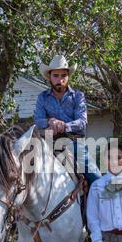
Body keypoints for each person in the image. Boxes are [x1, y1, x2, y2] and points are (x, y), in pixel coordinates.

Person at [34, 54, 101, 185]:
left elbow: (82, 121)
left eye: (63, 75)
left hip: (74, 143)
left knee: (97, 179)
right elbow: (38, 120)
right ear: (50, 77)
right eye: (56, 75)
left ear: (68, 76)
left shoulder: (78, 96)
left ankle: (102, 203)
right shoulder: (42, 97)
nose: (60, 80)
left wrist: (64, 125)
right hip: (49, 143)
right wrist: (50, 121)